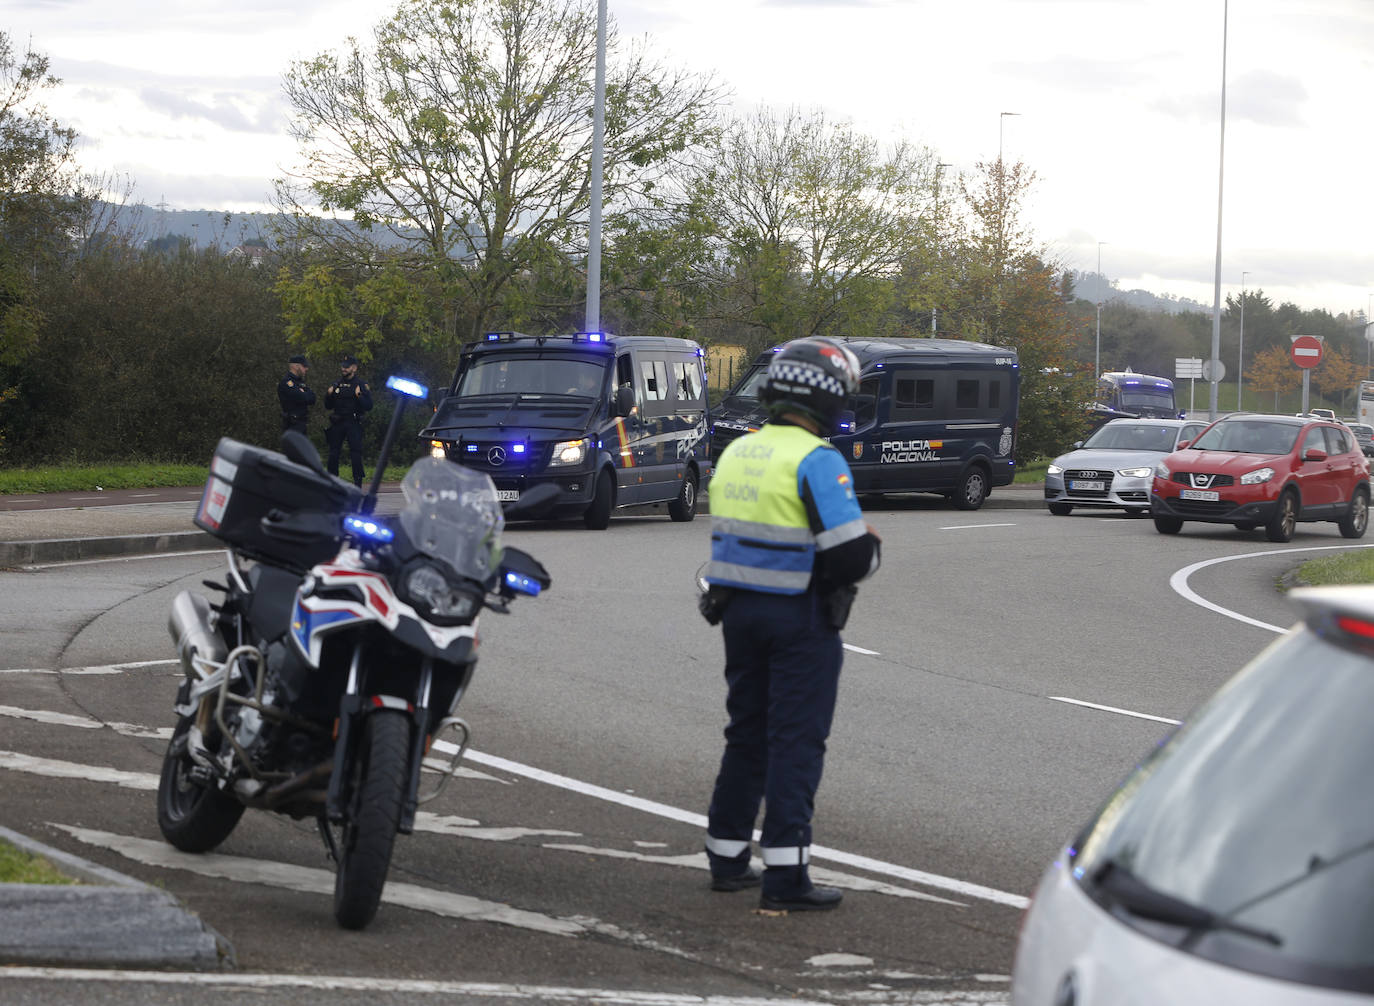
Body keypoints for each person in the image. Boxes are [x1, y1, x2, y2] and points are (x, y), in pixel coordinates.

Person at [700, 337, 881, 912]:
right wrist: (872, 546)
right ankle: (786, 876)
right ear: (827, 398)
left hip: (739, 615)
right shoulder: (818, 460)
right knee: (796, 745)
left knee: (746, 736)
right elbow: (850, 557)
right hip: (800, 618)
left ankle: (726, 859)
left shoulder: (739, 453)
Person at [324, 354, 373, 486]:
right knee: (333, 453)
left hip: (353, 423)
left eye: (347, 367)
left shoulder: (361, 385)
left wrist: (359, 395)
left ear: (354, 368)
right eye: (343, 366)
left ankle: (358, 482)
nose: (344, 369)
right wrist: (328, 395)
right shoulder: (336, 384)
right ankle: (332, 481)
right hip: (338, 422)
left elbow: (369, 406)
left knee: (355, 453)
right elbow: (328, 406)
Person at [277, 354, 315, 435]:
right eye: (304, 366)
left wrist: (304, 393)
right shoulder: (287, 382)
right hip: (292, 425)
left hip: (302, 424)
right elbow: (302, 398)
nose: (306, 369)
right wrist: (304, 394)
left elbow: (313, 398)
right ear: (296, 366)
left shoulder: (300, 382)